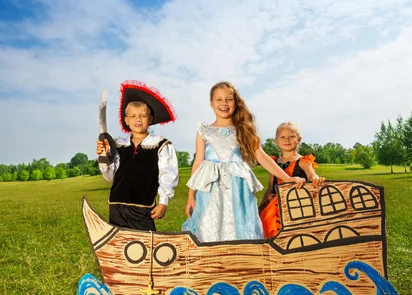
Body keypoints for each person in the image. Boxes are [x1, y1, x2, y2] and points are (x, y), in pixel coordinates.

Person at [182, 82, 305, 242]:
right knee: (209, 224)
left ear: (235, 102)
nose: (224, 103)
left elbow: (262, 157)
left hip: (238, 187)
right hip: (210, 188)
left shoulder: (243, 129)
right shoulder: (204, 131)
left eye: (228, 99)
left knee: (239, 224)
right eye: (218, 99)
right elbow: (198, 163)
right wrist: (191, 195)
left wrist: (287, 178)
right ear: (211, 103)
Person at [96, 80, 179, 231]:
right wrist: (104, 158)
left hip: (142, 206)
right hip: (117, 205)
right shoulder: (118, 145)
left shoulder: (161, 145)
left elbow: (168, 174)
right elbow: (111, 176)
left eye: (142, 115)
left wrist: (163, 201)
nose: (138, 119)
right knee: (120, 245)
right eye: (133, 116)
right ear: (126, 121)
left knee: (145, 245)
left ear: (150, 119)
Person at [259, 122, 326, 238]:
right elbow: (270, 187)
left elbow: (311, 175)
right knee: (272, 233)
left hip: (296, 205)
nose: (287, 140)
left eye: (292, 136)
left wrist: (315, 178)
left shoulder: (304, 161)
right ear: (276, 141)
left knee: (295, 234)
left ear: (299, 139)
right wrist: (261, 207)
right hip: (274, 209)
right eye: (282, 137)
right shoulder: (274, 163)